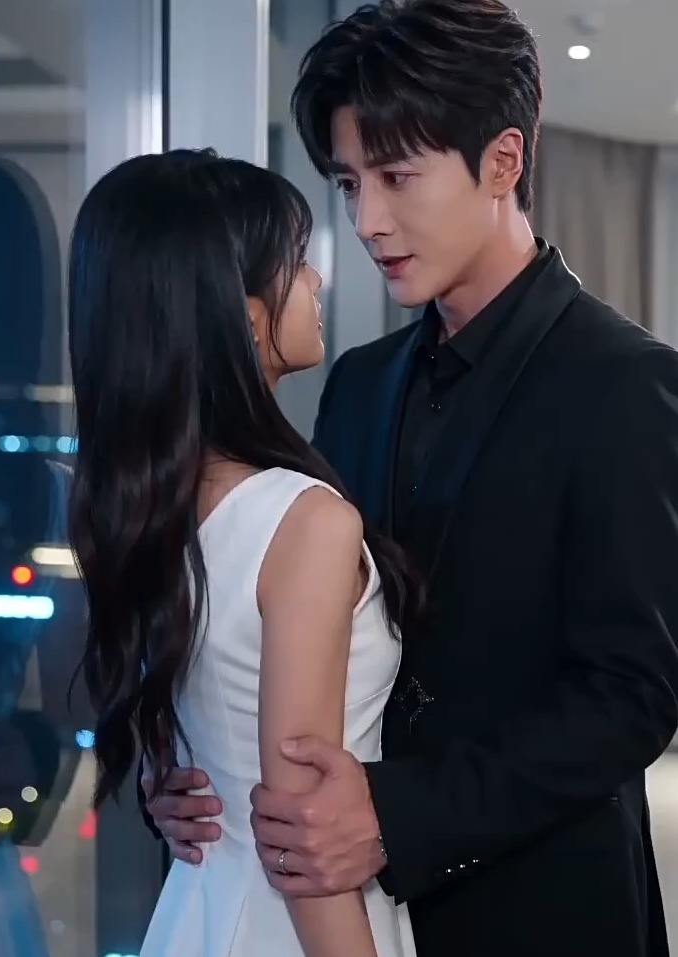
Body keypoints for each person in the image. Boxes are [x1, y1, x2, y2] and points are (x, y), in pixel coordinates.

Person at [143, 2, 678, 955]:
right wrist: (190, 777)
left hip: (546, 906)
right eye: (349, 183)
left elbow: (634, 694)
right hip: (355, 912)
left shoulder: (628, 383)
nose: (366, 221)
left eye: (396, 177)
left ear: (503, 162)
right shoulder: (358, 382)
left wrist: (400, 812)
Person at [67, 150, 420, 957]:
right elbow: (299, 833)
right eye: (296, 261)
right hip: (295, 928)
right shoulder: (304, 520)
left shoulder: (154, 505)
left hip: (200, 908)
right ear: (245, 313)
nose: (317, 280)